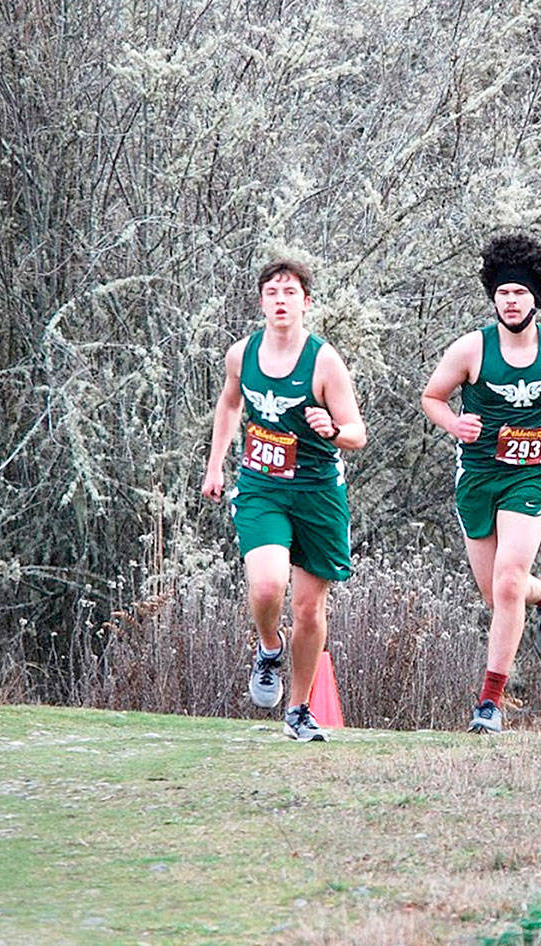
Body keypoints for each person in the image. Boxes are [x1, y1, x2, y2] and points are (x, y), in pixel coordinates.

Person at [421, 233, 541, 734]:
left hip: (532, 476)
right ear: (492, 297)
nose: (511, 301)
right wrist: (455, 423)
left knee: (506, 582)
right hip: (477, 477)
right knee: (498, 594)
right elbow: (432, 396)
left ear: (536, 297)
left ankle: (491, 703)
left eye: (519, 293)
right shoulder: (471, 349)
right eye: (503, 293)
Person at [201, 259, 366, 742]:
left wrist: (333, 430)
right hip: (261, 486)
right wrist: (216, 464)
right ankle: (269, 649)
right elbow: (231, 403)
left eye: (289, 291)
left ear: (305, 302)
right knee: (269, 587)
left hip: (317, 492)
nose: (280, 299)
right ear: (261, 302)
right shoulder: (241, 354)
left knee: (311, 611)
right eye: (271, 291)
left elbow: (358, 433)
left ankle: (298, 709)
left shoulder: (324, 361)